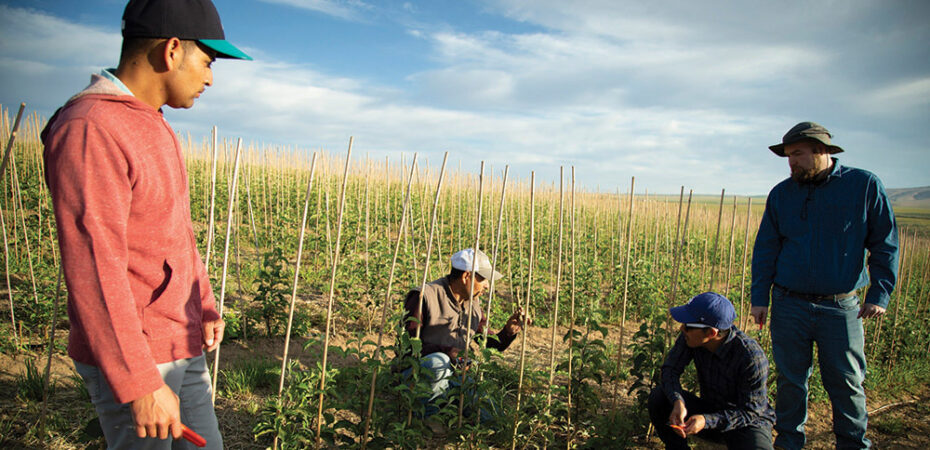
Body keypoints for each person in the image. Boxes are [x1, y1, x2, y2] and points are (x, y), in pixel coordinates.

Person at [41, 0, 251, 448]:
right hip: (137, 354)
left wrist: (204, 304)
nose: (211, 77)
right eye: (208, 61)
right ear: (172, 50)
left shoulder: (151, 123)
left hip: (179, 340)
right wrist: (138, 382)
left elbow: (173, 231)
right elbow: (94, 266)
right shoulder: (92, 129)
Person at [750, 122, 898, 449]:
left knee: (847, 383)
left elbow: (885, 243)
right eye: (788, 156)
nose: (791, 163)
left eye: (798, 154)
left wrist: (879, 293)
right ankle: (789, 443)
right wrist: (759, 298)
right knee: (790, 382)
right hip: (789, 304)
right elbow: (766, 248)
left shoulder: (863, 186)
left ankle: (853, 445)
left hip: (841, 305)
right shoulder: (782, 194)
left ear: (821, 151)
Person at [401, 248, 524, 415]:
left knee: (491, 414)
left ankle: (446, 407)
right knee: (439, 362)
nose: (487, 286)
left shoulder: (473, 303)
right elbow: (406, 346)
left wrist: (508, 331)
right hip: (418, 374)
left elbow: (489, 343)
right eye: (484, 279)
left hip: (455, 375)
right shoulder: (425, 296)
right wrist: (447, 352)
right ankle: (425, 415)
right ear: (467, 276)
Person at [648, 292, 776, 449]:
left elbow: (750, 412)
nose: (682, 329)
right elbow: (670, 370)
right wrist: (678, 401)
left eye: (688, 326)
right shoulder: (691, 338)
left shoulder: (750, 358)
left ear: (711, 333)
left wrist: (707, 420)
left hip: (745, 423)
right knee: (659, 397)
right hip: (709, 411)